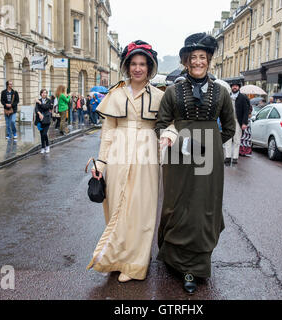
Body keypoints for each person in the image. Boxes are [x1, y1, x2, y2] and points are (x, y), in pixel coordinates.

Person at [154, 33, 236, 294]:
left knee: (203, 209)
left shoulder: (221, 92)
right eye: (193, 58)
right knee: (176, 206)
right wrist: (176, 141)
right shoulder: (173, 91)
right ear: (186, 62)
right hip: (179, 156)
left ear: (208, 61)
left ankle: (194, 268)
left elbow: (230, 128)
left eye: (203, 57)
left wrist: (210, 142)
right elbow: (160, 124)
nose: (198, 62)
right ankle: (173, 259)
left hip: (208, 159)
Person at [87, 40, 164, 284]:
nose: (138, 68)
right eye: (134, 64)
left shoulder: (161, 96)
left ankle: (136, 264)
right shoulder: (116, 94)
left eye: (143, 64)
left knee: (142, 210)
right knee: (116, 207)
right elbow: (108, 131)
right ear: (127, 66)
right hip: (118, 157)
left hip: (147, 156)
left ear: (149, 68)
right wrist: (100, 163)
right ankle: (116, 258)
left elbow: (166, 128)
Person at [224, 79, 250, 166]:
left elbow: (246, 111)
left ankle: (235, 158)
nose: (234, 87)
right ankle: (227, 157)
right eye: (233, 86)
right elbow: (223, 110)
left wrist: (244, 123)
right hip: (228, 121)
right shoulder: (228, 96)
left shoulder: (243, 97)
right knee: (227, 139)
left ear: (239, 87)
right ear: (231, 87)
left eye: (236, 86)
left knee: (236, 140)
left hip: (238, 121)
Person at [35, 89, 53, 154]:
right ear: (41, 94)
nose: (43, 94)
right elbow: (36, 109)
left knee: (45, 134)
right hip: (40, 120)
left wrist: (40, 103)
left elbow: (46, 107)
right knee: (41, 135)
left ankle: (47, 146)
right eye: (42, 93)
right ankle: (43, 147)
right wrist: (39, 114)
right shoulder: (38, 100)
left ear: (46, 94)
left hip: (47, 120)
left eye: (45, 93)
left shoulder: (49, 100)